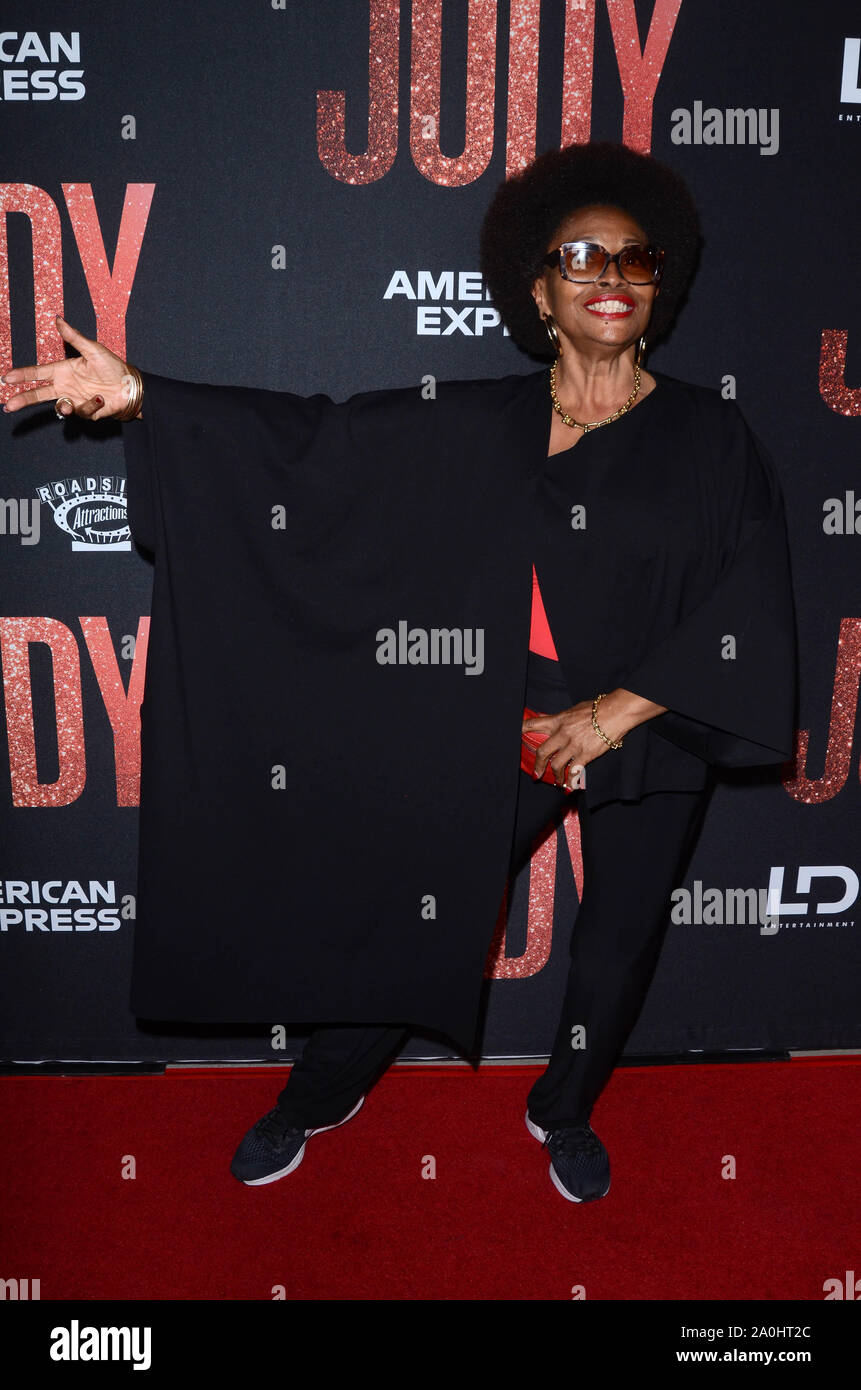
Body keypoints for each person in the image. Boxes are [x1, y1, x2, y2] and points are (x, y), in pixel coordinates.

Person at [1, 141, 797, 1204]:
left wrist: (616, 713)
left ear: (663, 283)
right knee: (404, 919)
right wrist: (150, 396)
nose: (611, 276)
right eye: (581, 257)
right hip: (499, 720)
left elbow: (745, 601)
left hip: (656, 721)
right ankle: (321, 1091)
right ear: (540, 291)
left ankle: (562, 1105)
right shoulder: (479, 424)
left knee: (618, 943)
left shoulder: (710, 433)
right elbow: (315, 442)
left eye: (635, 258)